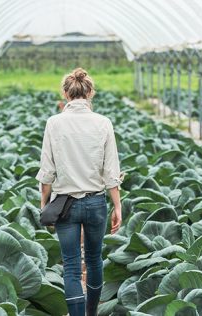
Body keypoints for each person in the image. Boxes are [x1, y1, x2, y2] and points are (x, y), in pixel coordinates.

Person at [36, 68, 122, 316]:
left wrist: (44, 205)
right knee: (94, 260)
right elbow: (111, 171)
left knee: (72, 266)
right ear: (90, 92)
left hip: (65, 205)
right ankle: (92, 313)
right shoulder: (103, 123)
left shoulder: (54, 123)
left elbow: (47, 171)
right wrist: (117, 206)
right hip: (96, 203)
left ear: (65, 93)